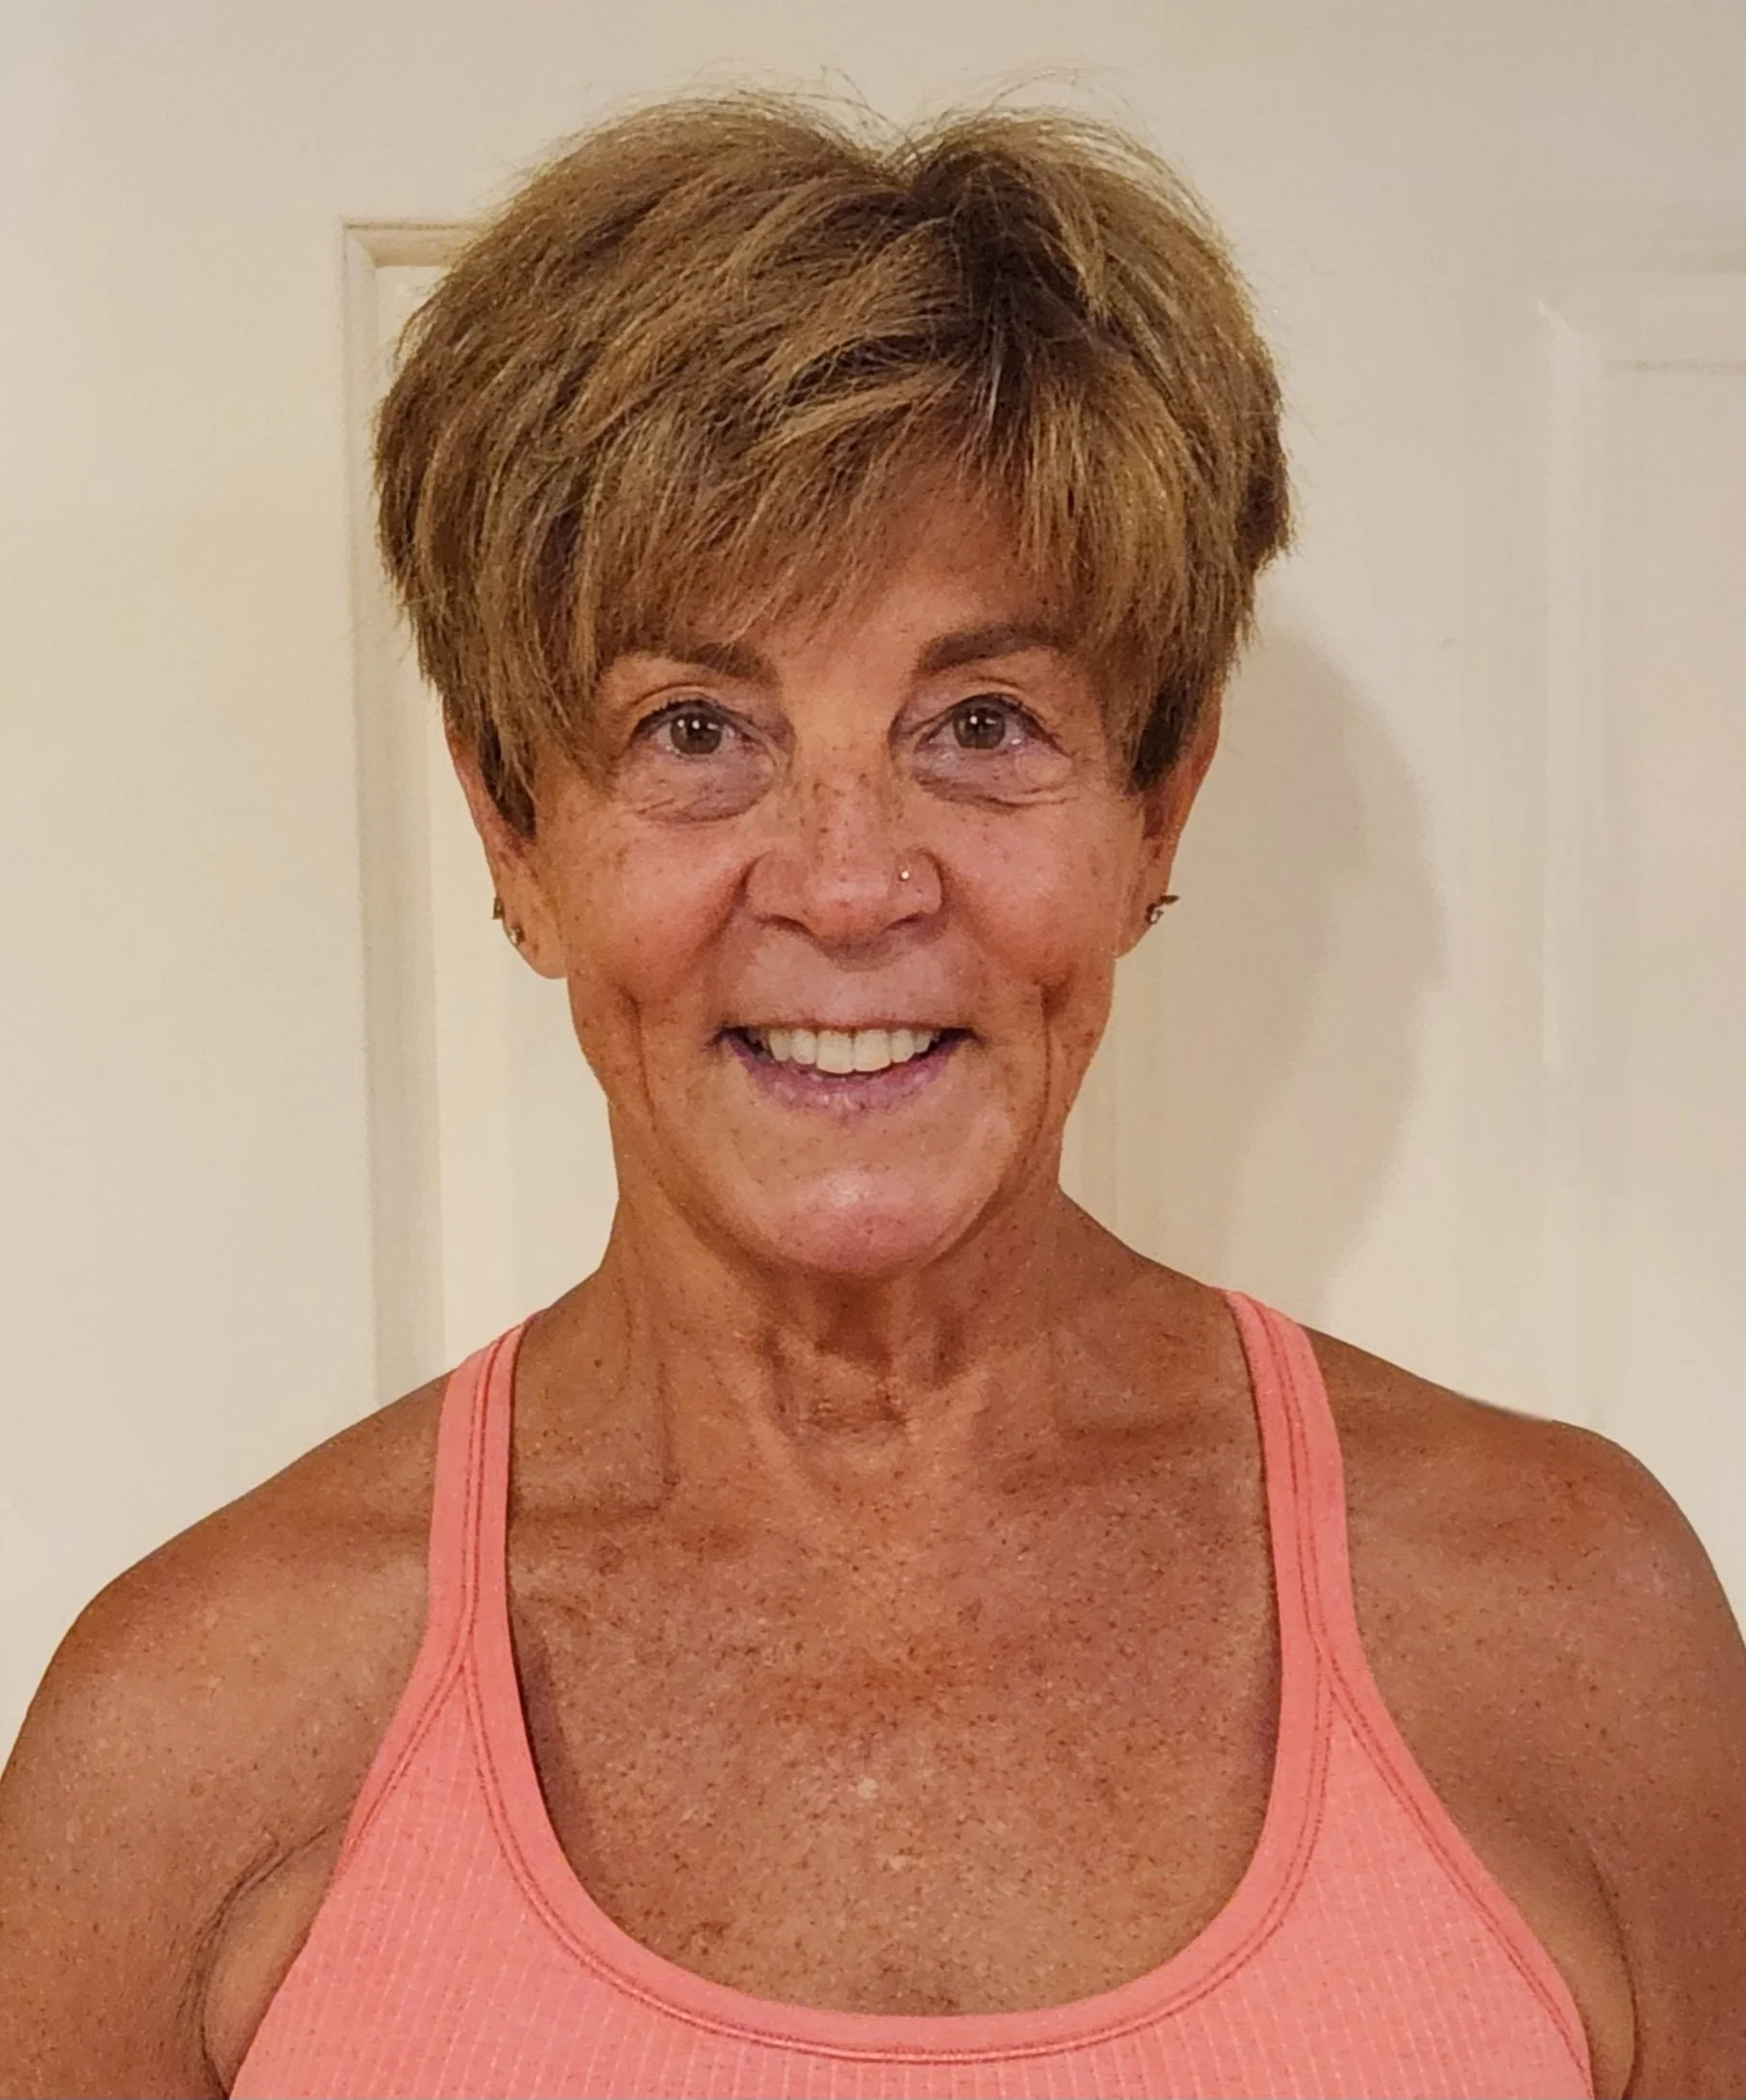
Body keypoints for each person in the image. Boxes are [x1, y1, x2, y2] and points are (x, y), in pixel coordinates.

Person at [2, 89, 1743, 2100]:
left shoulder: (1569, 1630)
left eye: (982, 722)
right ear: (512, 827)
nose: (848, 881)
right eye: (696, 728)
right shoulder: (196, 1733)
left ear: (1159, 801)